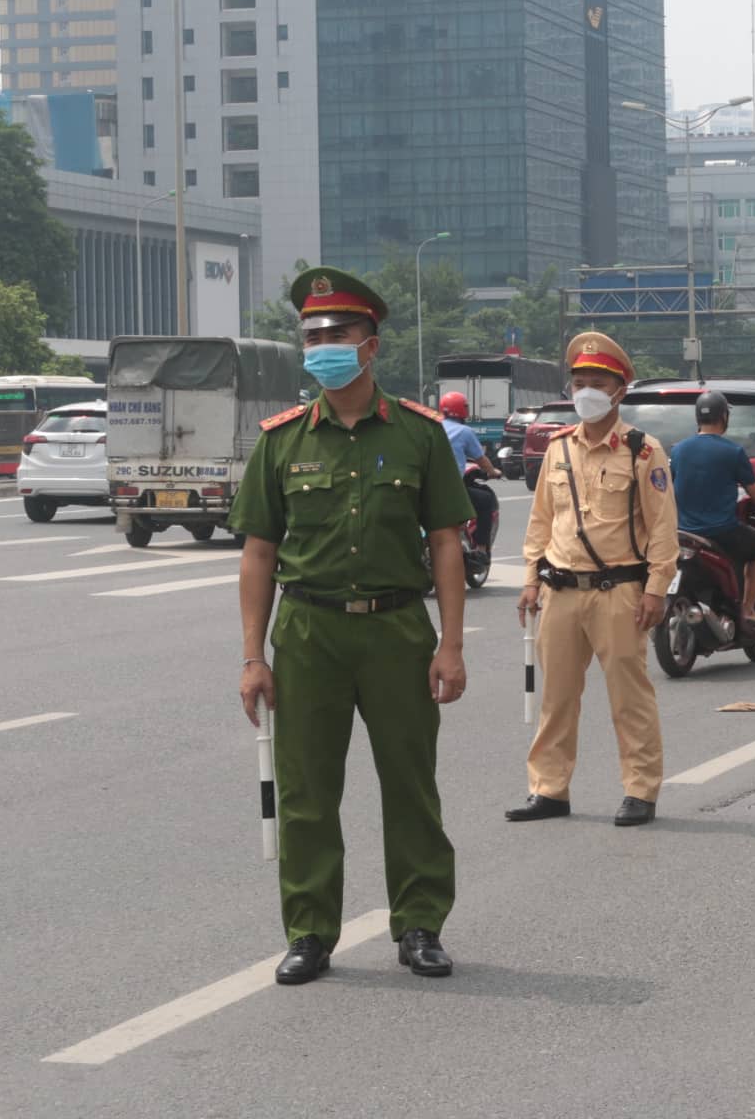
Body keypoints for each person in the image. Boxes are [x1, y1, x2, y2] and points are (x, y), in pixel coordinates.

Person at [230, 266, 475, 986]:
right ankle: (309, 931)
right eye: (312, 336)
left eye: (337, 334)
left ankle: (421, 924)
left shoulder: (420, 436)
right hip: (308, 633)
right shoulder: (280, 442)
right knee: (307, 790)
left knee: (410, 784)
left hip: (398, 629)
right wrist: (252, 656)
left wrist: (452, 646)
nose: (322, 347)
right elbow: (258, 555)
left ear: (371, 346)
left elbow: (445, 544)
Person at [507, 333, 678, 828]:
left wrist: (656, 589)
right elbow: (541, 522)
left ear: (619, 390)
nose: (586, 391)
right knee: (557, 699)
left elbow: (663, 527)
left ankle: (640, 791)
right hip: (560, 591)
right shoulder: (558, 450)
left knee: (630, 699)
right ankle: (549, 789)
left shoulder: (643, 452)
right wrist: (529, 580)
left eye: (597, 383)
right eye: (579, 382)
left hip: (619, 592)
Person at [669, 389, 755, 629]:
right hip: (719, 531)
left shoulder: (678, 450)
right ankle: (748, 608)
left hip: (683, 532)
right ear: (724, 417)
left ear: (697, 418)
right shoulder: (732, 452)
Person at [439, 391, 499, 549]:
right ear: (462, 410)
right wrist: (493, 472)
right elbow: (481, 459)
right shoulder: (464, 431)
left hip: (429, 487)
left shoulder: (433, 426)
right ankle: (481, 547)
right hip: (452, 489)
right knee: (485, 500)